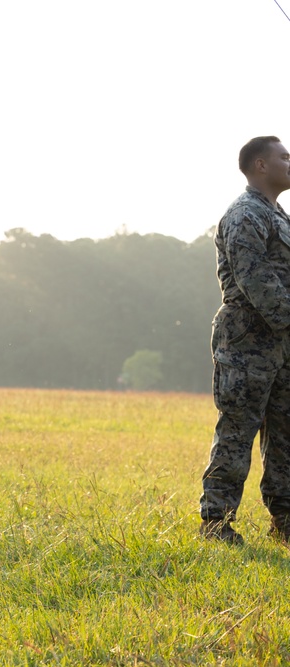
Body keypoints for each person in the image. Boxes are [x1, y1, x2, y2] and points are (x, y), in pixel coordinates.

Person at [200, 135, 290, 545]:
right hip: (247, 341)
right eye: (284, 156)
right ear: (260, 166)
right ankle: (216, 523)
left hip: (282, 343)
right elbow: (258, 282)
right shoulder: (244, 215)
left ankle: (284, 518)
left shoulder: (278, 215)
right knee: (238, 431)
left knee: (286, 432)